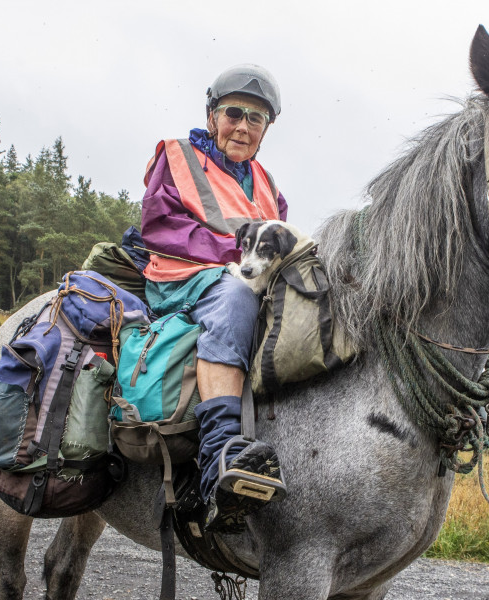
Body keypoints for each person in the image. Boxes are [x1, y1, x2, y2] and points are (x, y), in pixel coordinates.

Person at [140, 64, 288, 532]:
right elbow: (159, 225)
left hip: (242, 274)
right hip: (182, 274)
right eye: (234, 113)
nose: (243, 126)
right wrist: (233, 253)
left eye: (256, 119)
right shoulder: (178, 156)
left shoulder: (268, 185)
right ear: (212, 115)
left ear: (266, 129)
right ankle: (219, 456)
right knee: (239, 298)